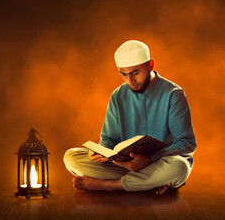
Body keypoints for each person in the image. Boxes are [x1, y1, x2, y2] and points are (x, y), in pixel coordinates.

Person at [63, 40, 197, 195]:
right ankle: (149, 183)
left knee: (179, 167)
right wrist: (100, 152)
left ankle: (111, 185)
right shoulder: (118, 95)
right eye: (124, 74)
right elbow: (108, 138)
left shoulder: (173, 94)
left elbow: (186, 144)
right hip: (125, 166)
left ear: (150, 65)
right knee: (71, 157)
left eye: (135, 73)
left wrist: (149, 160)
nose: (130, 81)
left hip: (160, 163)